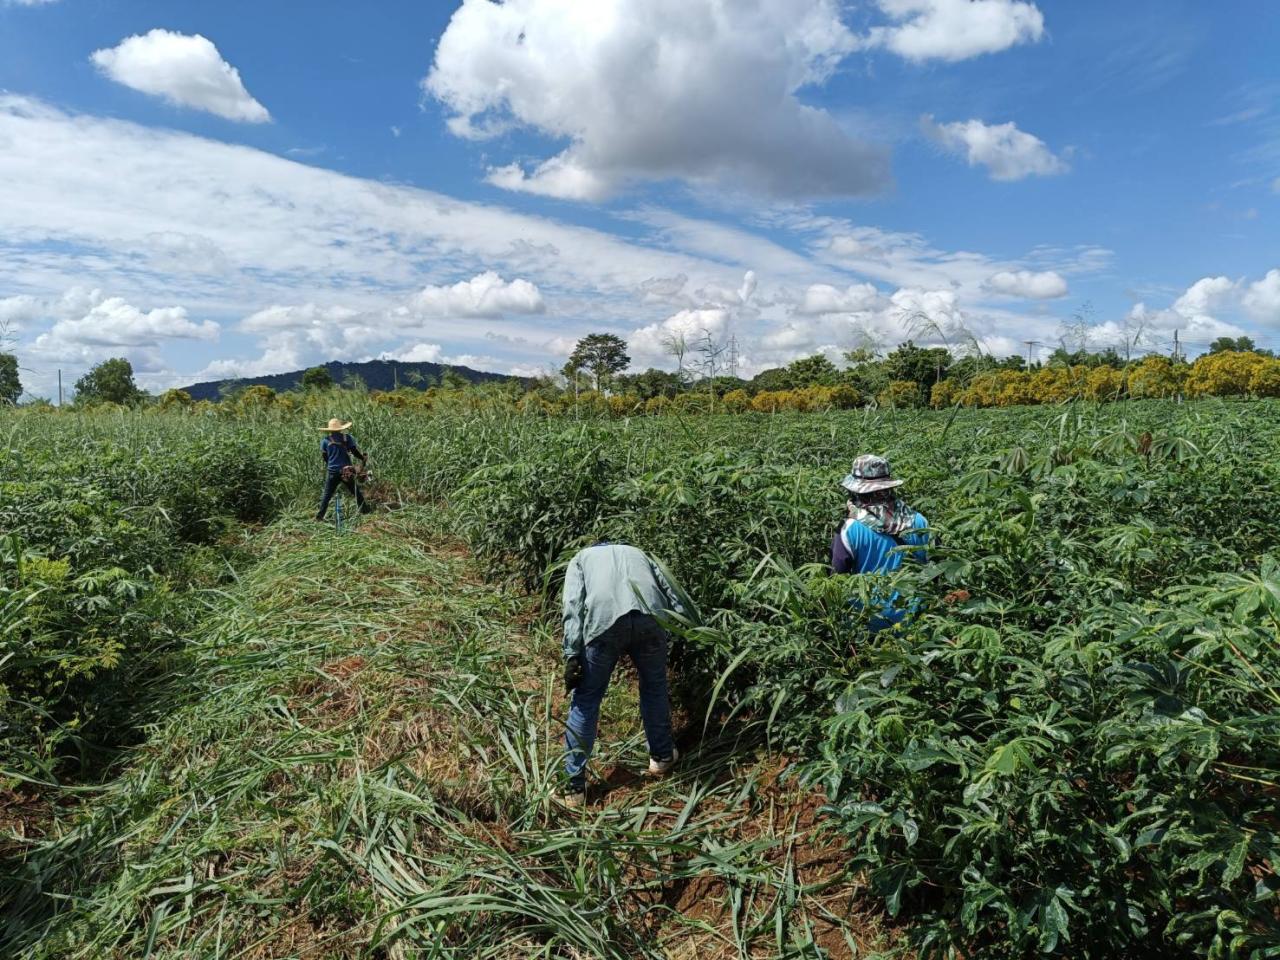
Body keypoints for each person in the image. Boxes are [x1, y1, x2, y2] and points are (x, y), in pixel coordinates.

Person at [559, 541, 687, 807]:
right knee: (654, 686)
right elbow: (671, 588)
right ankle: (662, 756)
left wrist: (572, 653)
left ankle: (573, 788)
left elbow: (572, 603)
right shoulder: (639, 552)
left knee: (586, 699)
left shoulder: (581, 558)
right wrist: (684, 628)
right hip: (650, 618)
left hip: (605, 622)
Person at [831, 454, 929, 631]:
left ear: (857, 491)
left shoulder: (848, 528)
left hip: (867, 622)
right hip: (916, 623)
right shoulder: (919, 521)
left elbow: (838, 578)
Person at [315, 418, 372, 521]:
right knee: (355, 492)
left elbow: (325, 457)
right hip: (346, 471)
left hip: (333, 472)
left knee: (327, 495)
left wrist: (331, 465)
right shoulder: (347, 438)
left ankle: (319, 517)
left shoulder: (325, 441)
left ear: (330, 430)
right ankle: (365, 511)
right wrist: (362, 458)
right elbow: (354, 451)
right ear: (340, 428)